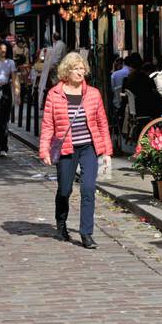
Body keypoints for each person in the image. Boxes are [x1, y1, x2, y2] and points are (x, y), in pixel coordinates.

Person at [39, 51, 112, 249]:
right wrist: (44, 150)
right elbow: (48, 125)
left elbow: (102, 123)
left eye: (82, 68)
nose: (80, 72)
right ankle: (61, 222)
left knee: (88, 188)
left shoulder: (93, 94)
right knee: (65, 190)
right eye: (76, 69)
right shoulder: (54, 94)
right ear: (67, 71)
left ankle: (86, 233)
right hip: (66, 148)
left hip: (88, 147)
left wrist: (106, 151)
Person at [0, 42, 17, 157]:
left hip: (6, 90)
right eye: (1, 48)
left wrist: (17, 93)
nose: (3, 51)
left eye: (5, 49)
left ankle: (4, 147)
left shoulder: (10, 62)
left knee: (4, 121)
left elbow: (14, 78)